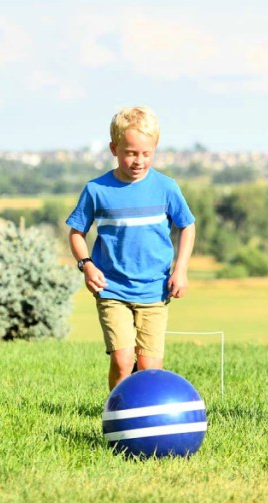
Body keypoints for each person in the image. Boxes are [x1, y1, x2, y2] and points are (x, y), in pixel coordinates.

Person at [66, 106, 197, 391]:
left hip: (155, 290)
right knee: (123, 360)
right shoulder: (97, 190)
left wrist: (181, 270)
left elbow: (187, 226)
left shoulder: (166, 187)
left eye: (146, 153)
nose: (138, 161)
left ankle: (146, 418)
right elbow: (76, 233)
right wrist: (87, 265)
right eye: (130, 153)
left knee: (150, 370)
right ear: (114, 148)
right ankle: (116, 411)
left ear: (155, 149)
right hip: (112, 289)